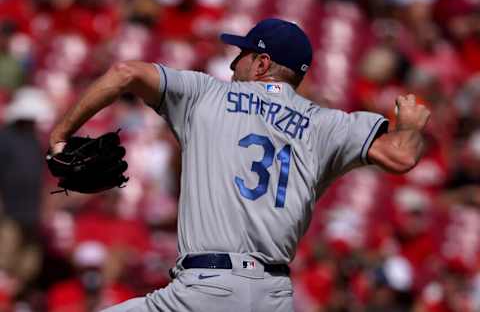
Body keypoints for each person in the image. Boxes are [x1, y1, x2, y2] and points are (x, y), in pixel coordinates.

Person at [49, 18, 430, 312]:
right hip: (274, 295)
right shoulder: (325, 124)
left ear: (262, 63)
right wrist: (411, 127)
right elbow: (400, 156)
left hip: (205, 288)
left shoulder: (206, 94)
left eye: (242, 55)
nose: (233, 64)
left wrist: (60, 134)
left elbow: (125, 73)